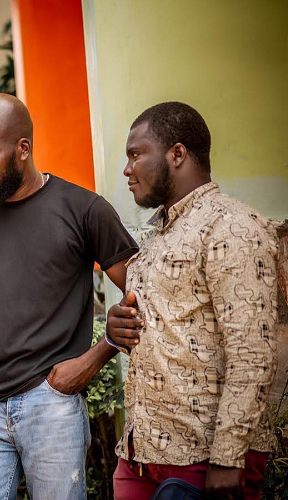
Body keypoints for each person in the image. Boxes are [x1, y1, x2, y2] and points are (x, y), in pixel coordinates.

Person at [0, 93, 138, 500]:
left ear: (23, 149)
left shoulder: (83, 210)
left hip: (52, 405)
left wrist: (94, 358)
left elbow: (144, 293)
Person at [106, 102, 278, 500]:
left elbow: (253, 353)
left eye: (136, 154)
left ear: (177, 154)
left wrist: (229, 457)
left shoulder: (232, 227)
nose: (127, 169)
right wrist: (119, 326)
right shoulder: (158, 237)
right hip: (140, 454)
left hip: (205, 459)